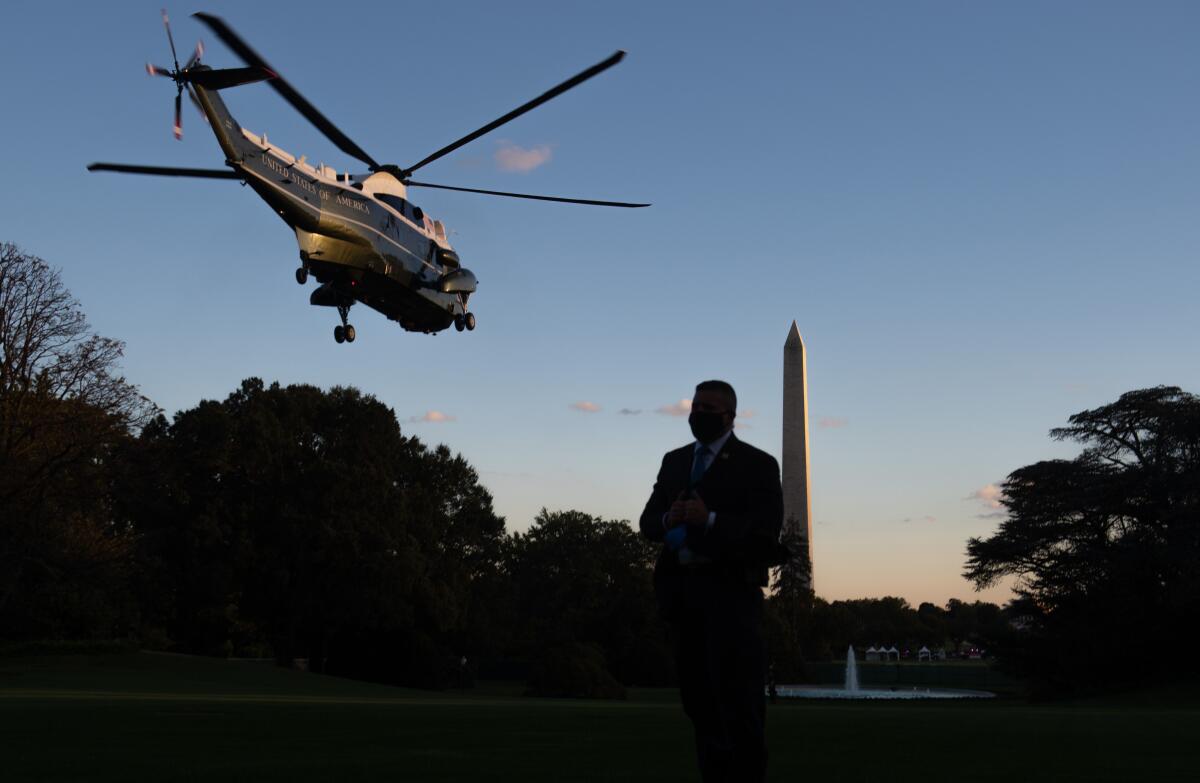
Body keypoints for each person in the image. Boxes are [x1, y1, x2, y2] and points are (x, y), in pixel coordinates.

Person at [639, 380, 785, 783]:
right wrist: (672, 518)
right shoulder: (674, 461)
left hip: (733, 601)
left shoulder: (758, 465)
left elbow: (764, 535)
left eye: (709, 408)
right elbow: (648, 522)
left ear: (730, 416)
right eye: (695, 406)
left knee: (742, 715)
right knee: (701, 713)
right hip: (683, 600)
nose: (698, 414)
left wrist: (711, 521)